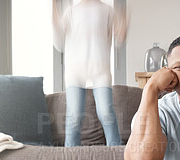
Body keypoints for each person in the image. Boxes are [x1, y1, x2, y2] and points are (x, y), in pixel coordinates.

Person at [52, 0, 127, 147]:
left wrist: (125, 20)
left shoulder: (107, 11)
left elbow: (120, 39)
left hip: (101, 69)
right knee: (74, 116)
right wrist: (54, 16)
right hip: (75, 71)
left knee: (106, 113)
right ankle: (70, 159)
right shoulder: (70, 12)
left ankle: (117, 153)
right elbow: (59, 44)